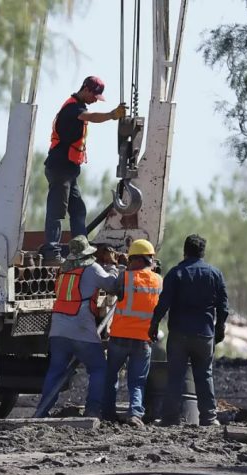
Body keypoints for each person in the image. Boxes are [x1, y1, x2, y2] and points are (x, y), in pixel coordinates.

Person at [41, 76, 127, 265]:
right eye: (95, 95)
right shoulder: (73, 108)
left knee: (78, 211)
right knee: (57, 211)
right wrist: (112, 115)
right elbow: (90, 117)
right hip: (60, 168)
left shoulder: (78, 106)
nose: (96, 99)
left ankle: (81, 251)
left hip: (69, 171)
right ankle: (52, 252)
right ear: (86, 90)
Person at [149, 234, 229, 426]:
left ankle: (170, 418)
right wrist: (219, 329)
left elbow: (163, 304)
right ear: (203, 252)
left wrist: (154, 324)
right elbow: (223, 307)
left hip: (179, 335)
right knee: (204, 375)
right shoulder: (215, 274)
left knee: (175, 376)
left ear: (184, 251)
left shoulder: (176, 273)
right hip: (204, 334)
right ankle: (209, 418)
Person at [35, 235, 118, 418]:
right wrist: (113, 266)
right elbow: (112, 286)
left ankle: (42, 411)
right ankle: (92, 409)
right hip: (80, 327)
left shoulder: (63, 269)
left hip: (58, 328)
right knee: (98, 369)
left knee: (56, 370)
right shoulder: (93, 268)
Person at [101, 239, 162, 428]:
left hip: (119, 337)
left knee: (111, 376)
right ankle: (135, 414)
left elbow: (110, 287)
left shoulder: (125, 277)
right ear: (149, 259)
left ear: (134, 259)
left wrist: (116, 266)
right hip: (143, 340)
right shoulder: (159, 280)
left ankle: (108, 413)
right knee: (137, 381)